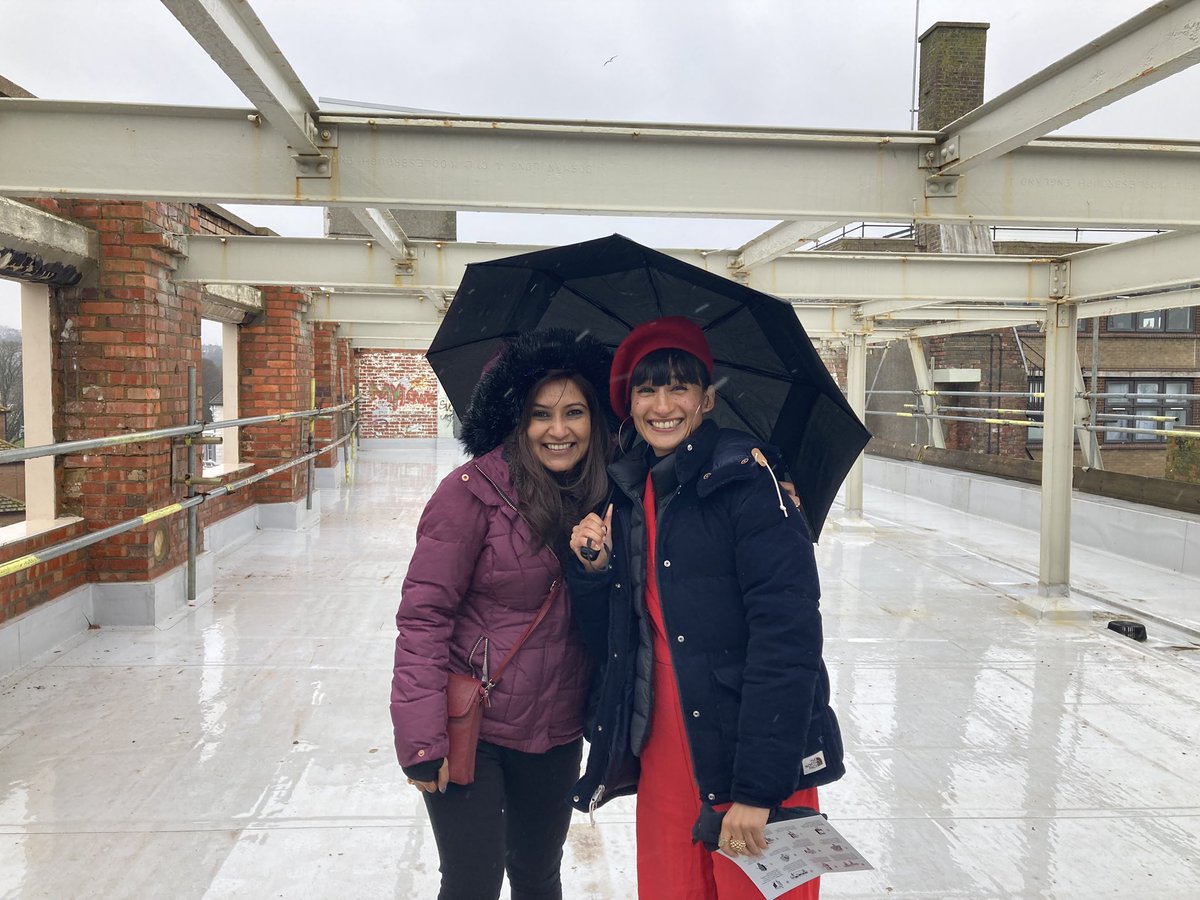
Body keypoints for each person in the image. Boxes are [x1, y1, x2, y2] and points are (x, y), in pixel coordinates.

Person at [567, 317, 844, 900]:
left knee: (754, 889)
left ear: (707, 398)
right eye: (647, 389)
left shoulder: (751, 485)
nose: (662, 405)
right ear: (629, 403)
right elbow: (619, 640)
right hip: (667, 740)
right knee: (673, 887)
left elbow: (788, 640)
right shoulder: (632, 492)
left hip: (752, 741)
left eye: (679, 387)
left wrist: (760, 789)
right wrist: (597, 572)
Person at [390, 328, 615, 900]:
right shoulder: (470, 494)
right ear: (516, 419)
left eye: (574, 412)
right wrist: (421, 741)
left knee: (539, 877)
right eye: (540, 414)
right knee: (472, 882)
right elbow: (423, 618)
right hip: (474, 728)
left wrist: (598, 568)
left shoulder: (613, 497)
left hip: (557, 730)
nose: (558, 430)